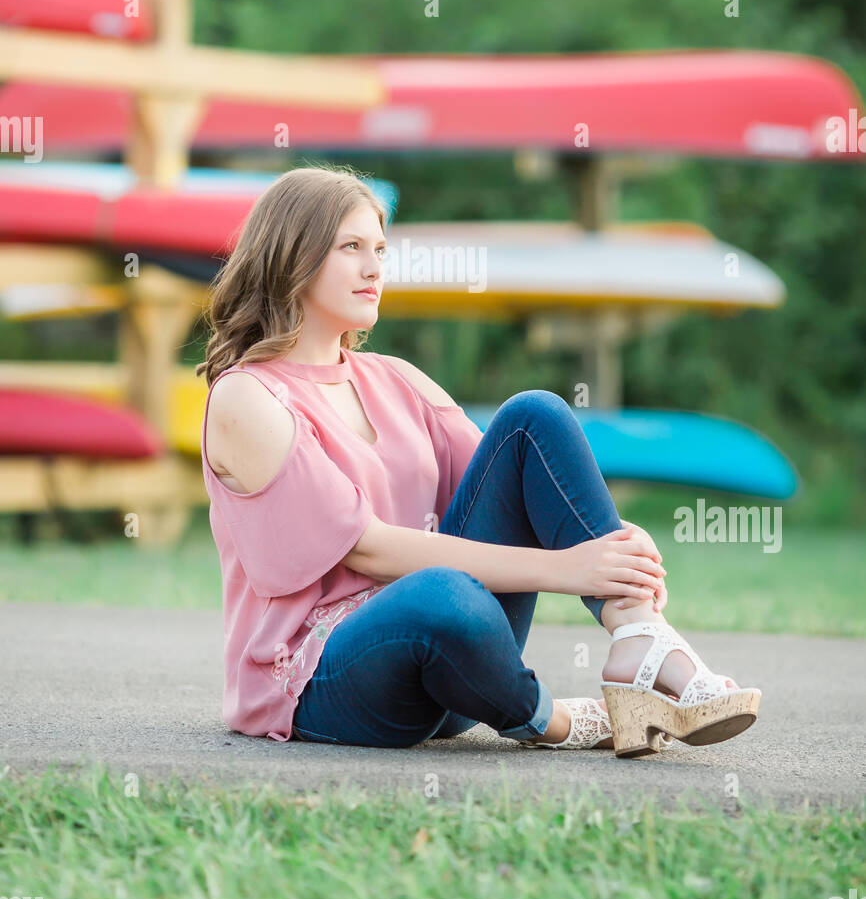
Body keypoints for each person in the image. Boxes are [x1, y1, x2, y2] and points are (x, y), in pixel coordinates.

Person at [196, 163, 760, 756]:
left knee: (533, 416)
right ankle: (555, 721)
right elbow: (370, 549)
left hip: (455, 672)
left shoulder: (397, 380)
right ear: (292, 256)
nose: (374, 268)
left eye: (380, 250)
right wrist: (572, 568)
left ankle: (641, 637)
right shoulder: (248, 396)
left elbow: (517, 482)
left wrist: (612, 543)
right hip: (329, 682)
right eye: (351, 247)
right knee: (441, 593)